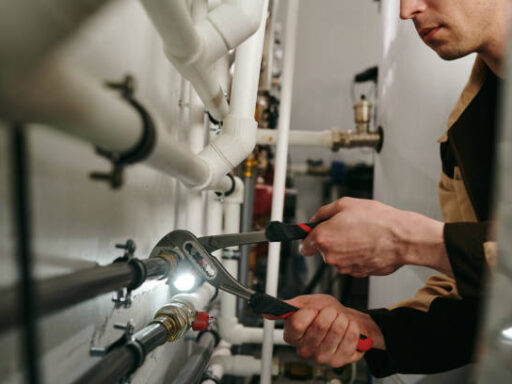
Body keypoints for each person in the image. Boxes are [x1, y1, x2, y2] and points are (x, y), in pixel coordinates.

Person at [272, 0, 510, 376]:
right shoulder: (466, 131)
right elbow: (476, 298)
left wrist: (408, 240)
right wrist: (369, 329)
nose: (405, 11)